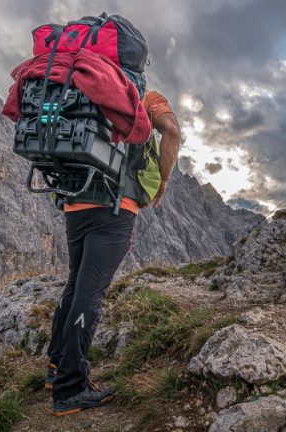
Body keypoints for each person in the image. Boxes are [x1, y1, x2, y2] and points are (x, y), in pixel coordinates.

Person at [45, 89, 180, 416]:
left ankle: (56, 367)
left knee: (75, 283)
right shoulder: (143, 94)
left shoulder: (75, 86)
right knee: (90, 293)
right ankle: (70, 389)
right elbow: (172, 132)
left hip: (74, 200)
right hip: (116, 205)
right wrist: (163, 181)